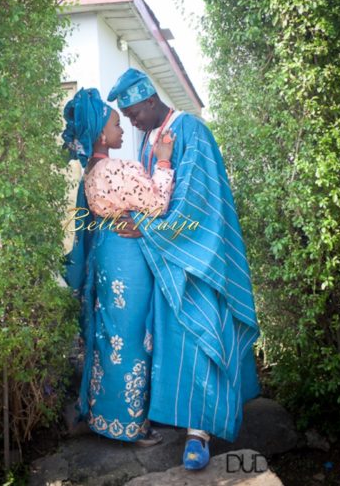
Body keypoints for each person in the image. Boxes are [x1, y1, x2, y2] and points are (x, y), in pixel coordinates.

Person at [106, 68, 260, 470]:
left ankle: (199, 435)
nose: (132, 122)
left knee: (199, 338)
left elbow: (197, 200)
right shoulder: (149, 143)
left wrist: (145, 227)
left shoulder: (191, 130)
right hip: (166, 260)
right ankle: (182, 420)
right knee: (174, 340)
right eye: (124, 116)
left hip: (198, 259)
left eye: (134, 112)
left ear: (151, 101)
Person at [63, 87, 176, 447]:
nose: (122, 129)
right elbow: (156, 203)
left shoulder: (93, 172)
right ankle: (130, 425)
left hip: (109, 256)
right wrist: (163, 161)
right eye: (116, 123)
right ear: (100, 134)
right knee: (130, 341)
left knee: (110, 337)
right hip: (128, 261)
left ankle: (103, 416)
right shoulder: (119, 169)